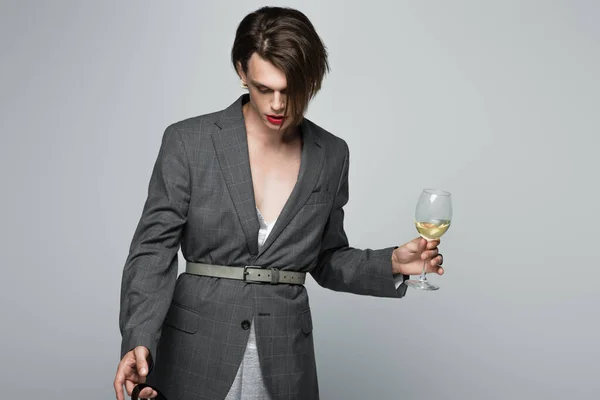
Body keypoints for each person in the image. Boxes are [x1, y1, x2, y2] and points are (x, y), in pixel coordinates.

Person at [114, 6, 444, 400]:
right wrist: (139, 336)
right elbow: (153, 250)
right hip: (195, 353)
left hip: (286, 359)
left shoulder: (331, 154)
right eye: (263, 88)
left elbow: (324, 258)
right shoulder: (189, 141)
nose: (277, 105)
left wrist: (389, 263)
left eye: (290, 91)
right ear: (241, 72)